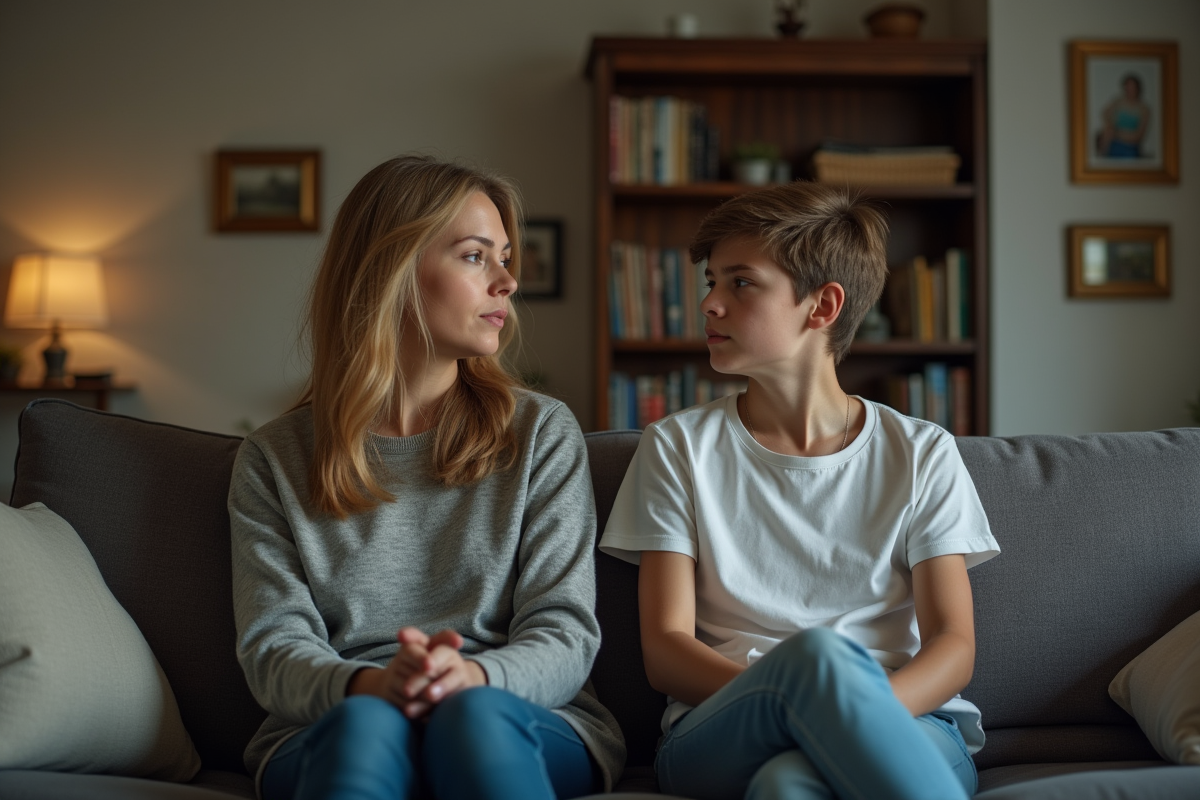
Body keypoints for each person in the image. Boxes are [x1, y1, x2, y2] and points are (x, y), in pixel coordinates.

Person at [229, 155, 624, 800]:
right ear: (393, 272)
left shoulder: (541, 433)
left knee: (471, 720)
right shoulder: (273, 458)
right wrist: (370, 686)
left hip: (516, 713)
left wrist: (470, 680)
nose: (508, 281)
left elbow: (565, 632)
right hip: (337, 718)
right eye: (476, 256)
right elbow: (273, 649)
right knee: (365, 727)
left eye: (504, 256)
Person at [599, 181, 999, 800]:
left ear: (822, 306)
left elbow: (953, 645)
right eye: (711, 283)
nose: (709, 303)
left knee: (788, 786)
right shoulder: (677, 448)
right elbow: (667, 651)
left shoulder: (922, 453)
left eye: (741, 282)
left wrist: (847, 716)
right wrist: (799, 694)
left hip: (909, 722)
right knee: (816, 661)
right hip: (724, 723)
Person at [1095, 73, 1151, 159]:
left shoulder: (1144, 109)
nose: (1130, 90)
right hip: (1115, 144)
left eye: (1132, 87)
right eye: (1127, 87)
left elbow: (1138, 136)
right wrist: (1110, 125)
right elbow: (1105, 113)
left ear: (1137, 88)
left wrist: (1118, 134)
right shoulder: (1118, 102)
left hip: (1131, 146)